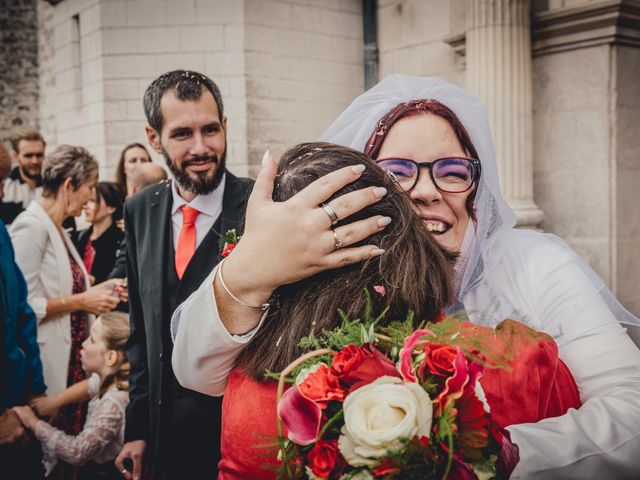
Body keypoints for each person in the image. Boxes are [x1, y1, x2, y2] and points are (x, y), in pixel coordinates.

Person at [172, 75, 640, 478]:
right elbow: (197, 372)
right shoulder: (325, 266)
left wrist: (486, 456)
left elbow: (632, 408)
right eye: (398, 171)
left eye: (453, 172)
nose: (426, 191)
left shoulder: (535, 263)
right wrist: (250, 272)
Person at [114, 69, 253, 480]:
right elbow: (141, 331)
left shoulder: (261, 208)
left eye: (210, 129)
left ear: (225, 127)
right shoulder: (140, 210)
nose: (200, 147)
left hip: (234, 437)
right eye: (181, 134)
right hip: (162, 439)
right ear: (153, 138)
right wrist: (137, 430)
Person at [10, 145, 123, 437]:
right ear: (69, 185)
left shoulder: (58, 228)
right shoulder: (31, 227)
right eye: (90, 187)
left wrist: (101, 289)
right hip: (47, 361)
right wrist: (83, 300)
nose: (90, 197)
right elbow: (19, 308)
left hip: (72, 359)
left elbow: (64, 289)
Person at [13, 311, 130, 479]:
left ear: (111, 357)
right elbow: (90, 385)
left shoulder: (113, 402)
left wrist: (33, 422)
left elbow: (77, 451)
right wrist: (54, 402)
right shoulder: (113, 380)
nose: (83, 344)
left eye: (92, 340)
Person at [0, 140, 46, 480]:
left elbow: (21, 310)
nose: (2, 192)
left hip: (17, 400)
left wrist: (34, 388)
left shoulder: (1, 231)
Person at [77, 181, 125, 284]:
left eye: (93, 201)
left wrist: (92, 280)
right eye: (87, 200)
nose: (86, 205)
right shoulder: (80, 237)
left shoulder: (120, 241)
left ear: (111, 208)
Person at [0, 130, 46, 225]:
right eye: (28, 156)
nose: (35, 161)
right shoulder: (5, 187)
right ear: (16, 156)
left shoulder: (52, 184)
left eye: (39, 155)